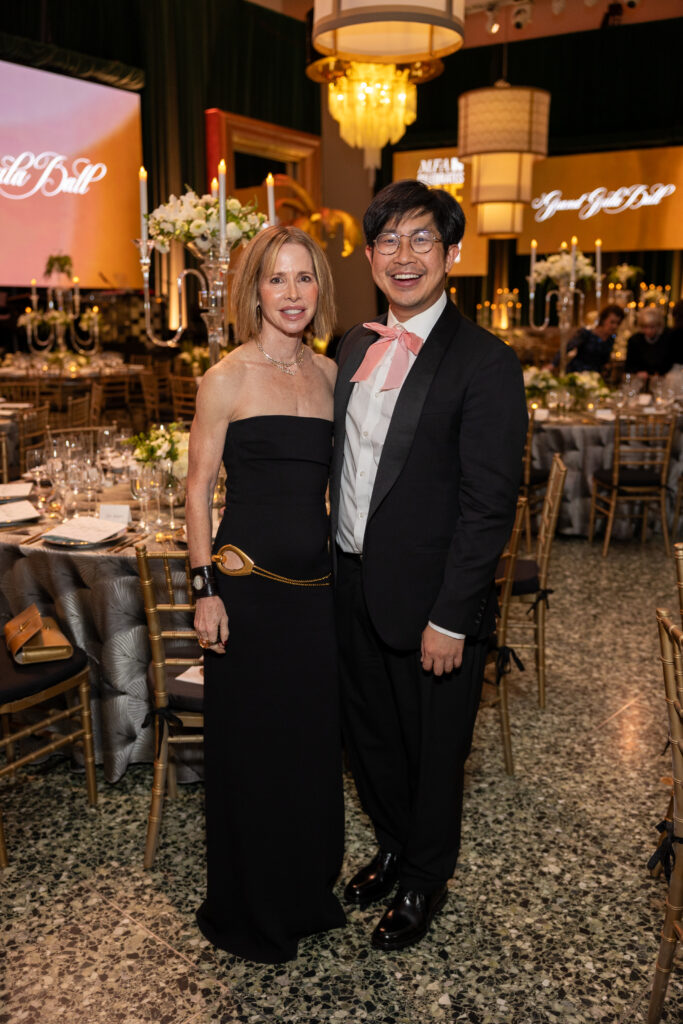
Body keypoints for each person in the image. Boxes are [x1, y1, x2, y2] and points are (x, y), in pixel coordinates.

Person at [330, 180, 527, 952]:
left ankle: (424, 877)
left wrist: (452, 615)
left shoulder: (484, 362)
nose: (402, 256)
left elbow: (488, 504)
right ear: (371, 256)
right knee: (370, 738)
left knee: (433, 751)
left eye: (421, 241)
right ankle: (389, 844)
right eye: (388, 241)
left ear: (451, 254)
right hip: (349, 582)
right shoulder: (352, 343)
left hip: (433, 602)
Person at [186, 225, 345, 963]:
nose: (291, 294)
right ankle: (250, 908)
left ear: (320, 289)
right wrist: (202, 588)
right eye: (276, 280)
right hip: (244, 594)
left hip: (313, 596)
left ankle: (306, 893)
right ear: (254, 290)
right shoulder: (226, 376)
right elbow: (195, 493)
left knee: (308, 751)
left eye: (304, 279)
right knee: (251, 754)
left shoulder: (329, 376)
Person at [554, 303, 625, 373]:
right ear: (603, 320)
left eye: (618, 323)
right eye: (612, 322)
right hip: (577, 373)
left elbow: (604, 361)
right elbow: (567, 348)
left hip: (595, 376)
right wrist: (553, 364)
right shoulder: (586, 333)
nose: (615, 326)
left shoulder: (611, 339)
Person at [625, 306, 673, 377]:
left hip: (662, 379)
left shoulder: (667, 338)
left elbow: (670, 362)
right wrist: (638, 372)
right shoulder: (634, 340)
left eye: (652, 327)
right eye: (645, 327)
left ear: (659, 325)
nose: (648, 331)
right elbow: (629, 366)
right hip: (640, 380)